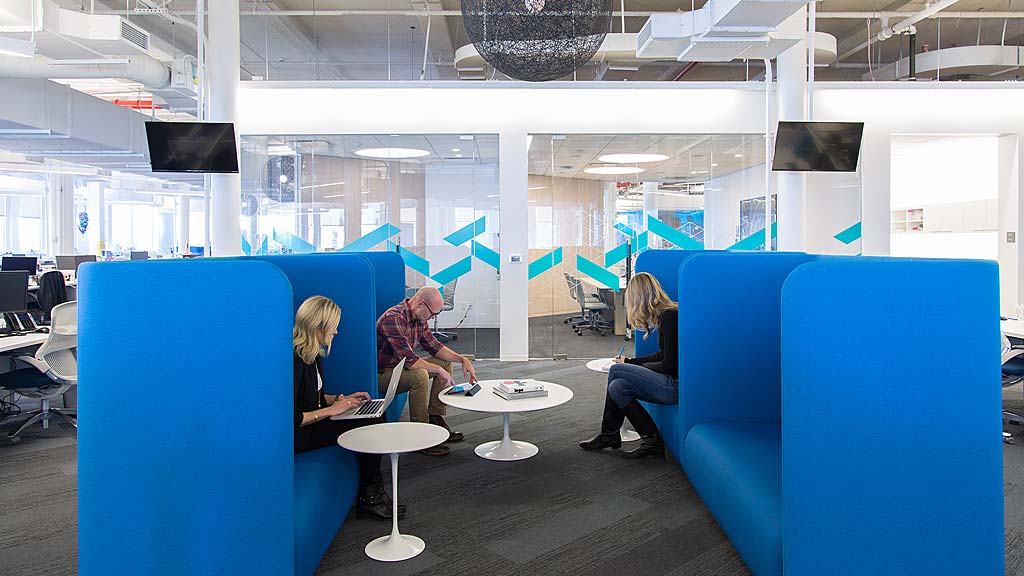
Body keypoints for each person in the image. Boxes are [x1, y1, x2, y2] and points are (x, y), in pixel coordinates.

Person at [293, 295, 405, 520]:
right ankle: (370, 497)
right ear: (319, 326)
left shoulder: (312, 354)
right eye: (333, 327)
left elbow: (312, 396)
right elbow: (291, 418)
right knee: (371, 422)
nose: (336, 332)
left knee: (374, 414)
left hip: (314, 420)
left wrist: (340, 400)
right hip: (298, 435)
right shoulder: (294, 361)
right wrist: (331, 411)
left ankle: (373, 492)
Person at [579, 272, 678, 459]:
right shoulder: (666, 315)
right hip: (669, 381)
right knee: (618, 386)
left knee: (616, 370)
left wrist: (635, 369)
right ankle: (651, 440)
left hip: (675, 385)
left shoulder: (670, 317)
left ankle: (609, 434)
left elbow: (669, 366)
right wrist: (631, 363)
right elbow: (662, 355)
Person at [376, 287, 478, 456]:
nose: (433, 318)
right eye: (433, 314)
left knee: (444, 363)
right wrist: (437, 370)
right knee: (420, 375)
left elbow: (435, 347)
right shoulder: (393, 318)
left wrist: (462, 359)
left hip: (401, 369)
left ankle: (435, 418)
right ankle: (421, 435)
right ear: (421, 305)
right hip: (384, 375)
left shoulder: (419, 318)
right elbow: (410, 360)